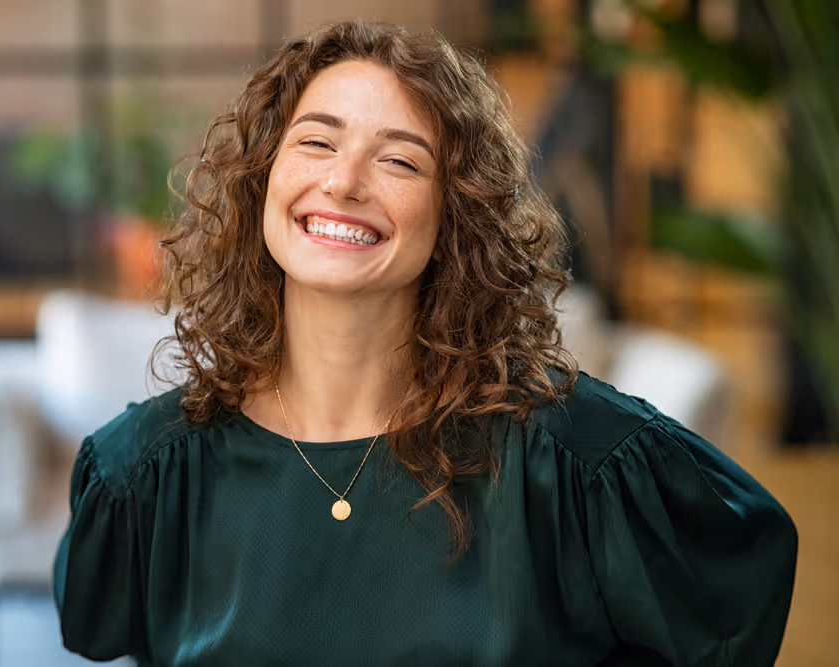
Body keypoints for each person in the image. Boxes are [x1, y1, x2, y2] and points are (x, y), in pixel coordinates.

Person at [53, 20, 797, 666]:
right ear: (262, 179)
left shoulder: (572, 459)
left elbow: (742, 587)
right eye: (316, 142)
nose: (344, 181)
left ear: (455, 218)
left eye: (400, 159)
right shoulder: (145, 473)